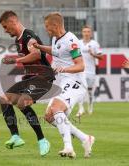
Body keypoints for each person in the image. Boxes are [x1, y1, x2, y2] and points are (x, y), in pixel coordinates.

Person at [34, 12, 95, 158]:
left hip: (75, 82)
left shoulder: (71, 40)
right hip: (63, 81)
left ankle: (68, 147)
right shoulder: (55, 38)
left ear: (55, 25)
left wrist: (64, 69)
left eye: (48, 27)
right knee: (49, 117)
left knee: (56, 108)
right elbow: (56, 51)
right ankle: (85, 138)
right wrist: (39, 47)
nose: (47, 30)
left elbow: (81, 66)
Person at [0, 10, 55, 156]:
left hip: (43, 78)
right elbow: (29, 57)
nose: (5, 30)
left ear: (13, 21)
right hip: (30, 79)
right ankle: (15, 137)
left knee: (22, 101)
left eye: (5, 26)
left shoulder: (28, 36)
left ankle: (42, 140)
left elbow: (35, 53)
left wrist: (15, 60)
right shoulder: (18, 40)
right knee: (5, 100)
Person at [76, 25, 103, 116]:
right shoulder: (78, 43)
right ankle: (81, 109)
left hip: (91, 71)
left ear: (90, 33)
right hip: (81, 70)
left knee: (90, 91)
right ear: (82, 33)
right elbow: (74, 56)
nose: (86, 33)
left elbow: (101, 57)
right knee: (80, 90)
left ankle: (90, 106)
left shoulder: (95, 44)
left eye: (88, 32)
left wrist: (93, 54)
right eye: (84, 32)